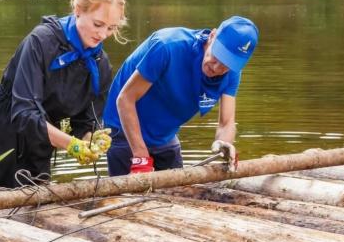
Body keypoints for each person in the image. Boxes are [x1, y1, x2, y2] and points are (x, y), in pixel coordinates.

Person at [0, 0, 126, 187]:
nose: (103, 34)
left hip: (35, 150)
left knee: (30, 214)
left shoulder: (100, 64)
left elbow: (86, 120)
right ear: (78, 10)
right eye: (98, 24)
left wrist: (90, 139)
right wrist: (71, 145)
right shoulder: (41, 41)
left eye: (111, 28)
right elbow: (24, 113)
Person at [104, 15, 259, 176]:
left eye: (226, 64)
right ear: (212, 36)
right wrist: (141, 157)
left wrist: (224, 144)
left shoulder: (232, 72)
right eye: (217, 56)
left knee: (176, 193)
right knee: (126, 196)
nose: (217, 67)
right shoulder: (168, 46)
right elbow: (125, 99)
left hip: (165, 134)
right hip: (124, 127)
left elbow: (226, 123)